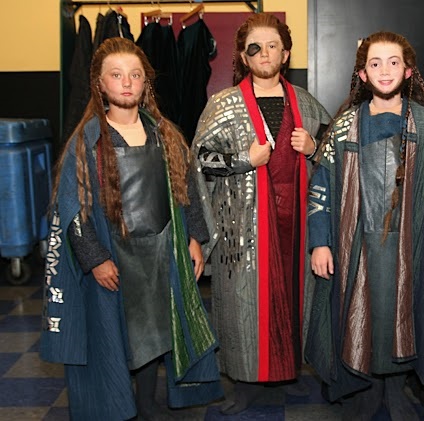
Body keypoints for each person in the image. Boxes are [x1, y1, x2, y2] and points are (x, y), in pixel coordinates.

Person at [40, 37, 222, 421]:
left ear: (145, 83)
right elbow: (72, 209)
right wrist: (94, 259)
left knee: (155, 332)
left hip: (160, 254)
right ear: (100, 83)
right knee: (114, 333)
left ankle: (147, 404)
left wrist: (193, 238)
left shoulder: (164, 134)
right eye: (116, 75)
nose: (127, 82)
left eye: (135, 75)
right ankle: (115, 406)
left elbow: (186, 189)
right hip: (114, 256)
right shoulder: (86, 143)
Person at [306, 31, 424, 420]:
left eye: (394, 62)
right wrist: (320, 242)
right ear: (362, 74)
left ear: (408, 71)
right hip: (355, 247)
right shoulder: (342, 128)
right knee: (363, 315)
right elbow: (320, 188)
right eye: (375, 63)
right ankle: (368, 388)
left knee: (404, 314)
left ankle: (396, 388)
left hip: (413, 246)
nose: (385, 70)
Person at [191, 13, 331, 415]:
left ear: (285, 54)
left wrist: (314, 149)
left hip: (296, 224)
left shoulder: (306, 103)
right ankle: (245, 381)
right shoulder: (223, 104)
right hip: (243, 228)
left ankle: (287, 371)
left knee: (293, 297)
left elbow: (337, 156)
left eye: (273, 46)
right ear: (243, 56)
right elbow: (198, 161)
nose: (264, 53)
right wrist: (243, 160)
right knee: (246, 304)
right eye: (256, 47)